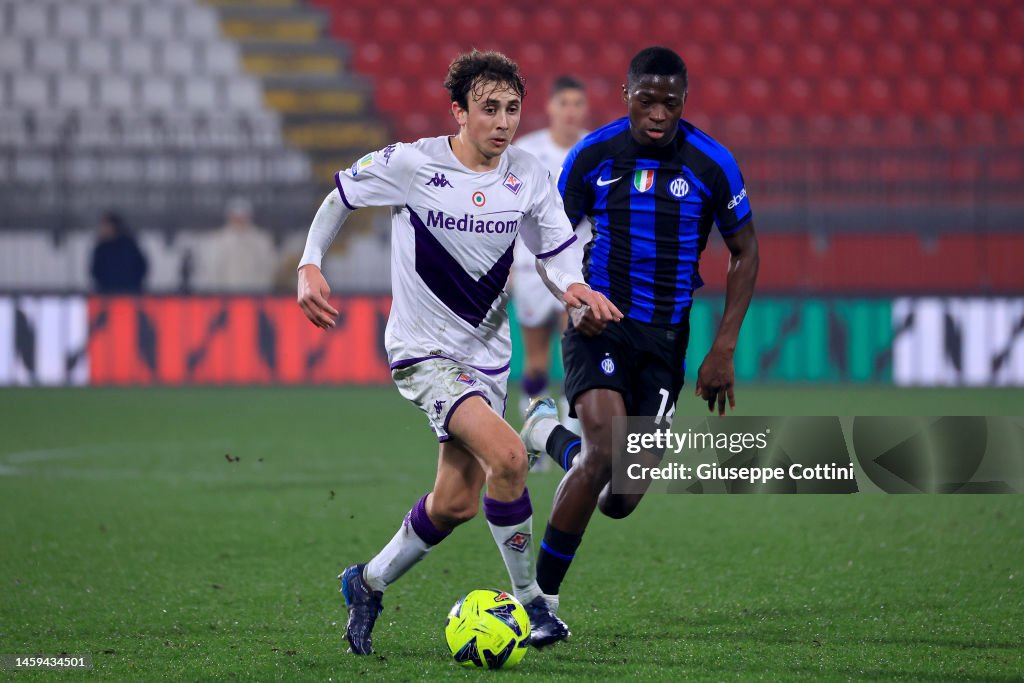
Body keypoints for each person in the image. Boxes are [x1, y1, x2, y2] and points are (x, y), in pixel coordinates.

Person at [295, 50, 621, 655]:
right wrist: (310, 264)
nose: (502, 121)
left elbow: (553, 249)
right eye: (489, 108)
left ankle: (365, 583)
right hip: (423, 353)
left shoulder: (526, 174)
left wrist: (573, 287)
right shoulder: (413, 163)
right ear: (460, 111)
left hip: (488, 356)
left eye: (512, 109)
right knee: (508, 458)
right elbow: (341, 194)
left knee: (455, 503)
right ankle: (532, 605)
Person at [519, 46, 760, 646]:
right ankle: (539, 604)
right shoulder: (593, 156)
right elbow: (549, 243)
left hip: (665, 343)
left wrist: (723, 347)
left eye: (669, 103)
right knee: (601, 448)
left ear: (684, 102)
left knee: (621, 497)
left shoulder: (711, 163)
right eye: (646, 100)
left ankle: (545, 432)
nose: (658, 113)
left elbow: (745, 251)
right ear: (626, 94)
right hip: (600, 325)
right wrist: (574, 299)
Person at [511, 76, 589, 434]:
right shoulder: (526, 151)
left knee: (573, 354)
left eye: (577, 104)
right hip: (530, 267)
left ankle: (571, 439)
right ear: (550, 107)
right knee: (536, 363)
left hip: (576, 268)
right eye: (564, 103)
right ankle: (536, 432)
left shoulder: (594, 149)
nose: (570, 111)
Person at [202, 197, 277, 292]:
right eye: (236, 218)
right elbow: (213, 272)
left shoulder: (262, 241)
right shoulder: (218, 242)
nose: (239, 221)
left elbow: (268, 271)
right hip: (226, 296)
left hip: (255, 296)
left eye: (242, 218)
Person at [89, 211, 148, 293]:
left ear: (114, 226)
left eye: (106, 226)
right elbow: (95, 271)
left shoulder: (129, 246)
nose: (103, 229)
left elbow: (141, 267)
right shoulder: (101, 249)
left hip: (130, 294)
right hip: (107, 295)